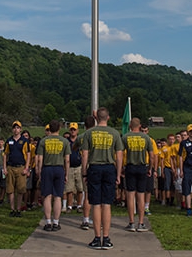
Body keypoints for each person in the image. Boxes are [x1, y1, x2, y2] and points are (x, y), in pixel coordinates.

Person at [81, 107, 124, 250]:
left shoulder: (89, 133)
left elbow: (85, 155)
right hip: (109, 168)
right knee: (106, 204)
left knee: (95, 204)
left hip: (94, 168)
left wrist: (84, 172)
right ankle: (106, 238)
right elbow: (119, 156)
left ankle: (96, 238)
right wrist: (118, 174)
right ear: (108, 117)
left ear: (96, 118)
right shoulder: (114, 133)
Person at [36, 119, 71, 231]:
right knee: (58, 196)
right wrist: (67, 173)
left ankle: (48, 222)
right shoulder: (65, 141)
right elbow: (67, 160)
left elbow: (40, 159)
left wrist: (40, 171)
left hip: (47, 168)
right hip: (59, 168)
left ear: (49, 129)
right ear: (59, 128)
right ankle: (56, 222)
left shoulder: (43, 141)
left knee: (47, 196)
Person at [122, 117, 155, 231]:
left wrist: (121, 167)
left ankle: (131, 222)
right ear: (140, 126)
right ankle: (141, 223)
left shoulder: (126, 137)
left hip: (130, 166)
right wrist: (150, 168)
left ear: (130, 126)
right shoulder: (146, 138)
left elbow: (120, 153)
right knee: (141, 196)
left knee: (130, 196)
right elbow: (151, 156)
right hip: (142, 167)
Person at [4, 120, 31, 217]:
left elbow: (28, 155)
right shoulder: (9, 140)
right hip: (10, 167)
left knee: (20, 189)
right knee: (10, 189)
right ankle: (12, 209)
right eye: (14, 128)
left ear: (20, 129)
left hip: (20, 167)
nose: (16, 130)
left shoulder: (24, 141)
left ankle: (18, 208)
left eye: (18, 128)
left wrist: (26, 168)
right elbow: (5, 154)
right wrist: (5, 168)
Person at [64, 122, 84, 214]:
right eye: (71, 129)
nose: (73, 131)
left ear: (77, 130)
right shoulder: (66, 141)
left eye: (74, 129)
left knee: (80, 188)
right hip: (70, 167)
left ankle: (79, 205)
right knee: (69, 189)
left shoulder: (81, 141)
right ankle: (69, 205)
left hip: (79, 166)